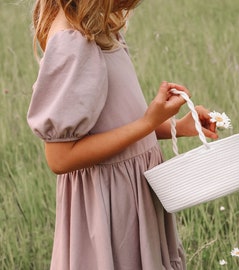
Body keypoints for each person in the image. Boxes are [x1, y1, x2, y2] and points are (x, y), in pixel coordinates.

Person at [27, 0, 218, 269]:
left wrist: (177, 125)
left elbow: (119, 125)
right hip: (109, 206)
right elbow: (60, 158)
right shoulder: (71, 43)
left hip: (132, 196)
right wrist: (147, 123)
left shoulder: (100, 29)